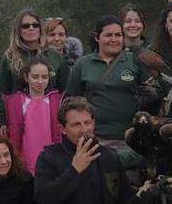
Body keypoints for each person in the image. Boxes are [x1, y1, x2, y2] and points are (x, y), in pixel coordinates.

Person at [64, 16, 149, 148]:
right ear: (97, 37)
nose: (114, 40)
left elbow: (152, 98)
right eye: (108, 35)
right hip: (94, 139)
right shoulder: (83, 64)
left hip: (131, 139)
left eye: (118, 35)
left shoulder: (136, 61)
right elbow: (70, 103)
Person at [2, 58, 62, 174]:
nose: (40, 81)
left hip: (52, 158)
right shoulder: (17, 101)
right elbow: (14, 132)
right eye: (35, 77)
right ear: (26, 77)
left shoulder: (56, 100)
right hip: (26, 157)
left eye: (44, 77)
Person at [0, 8, 69, 96]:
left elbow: (66, 91)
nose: (31, 28)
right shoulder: (9, 58)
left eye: (35, 25)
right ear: (18, 30)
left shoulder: (54, 56)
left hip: (51, 107)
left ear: (40, 28)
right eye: (25, 26)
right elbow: (2, 93)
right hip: (18, 107)